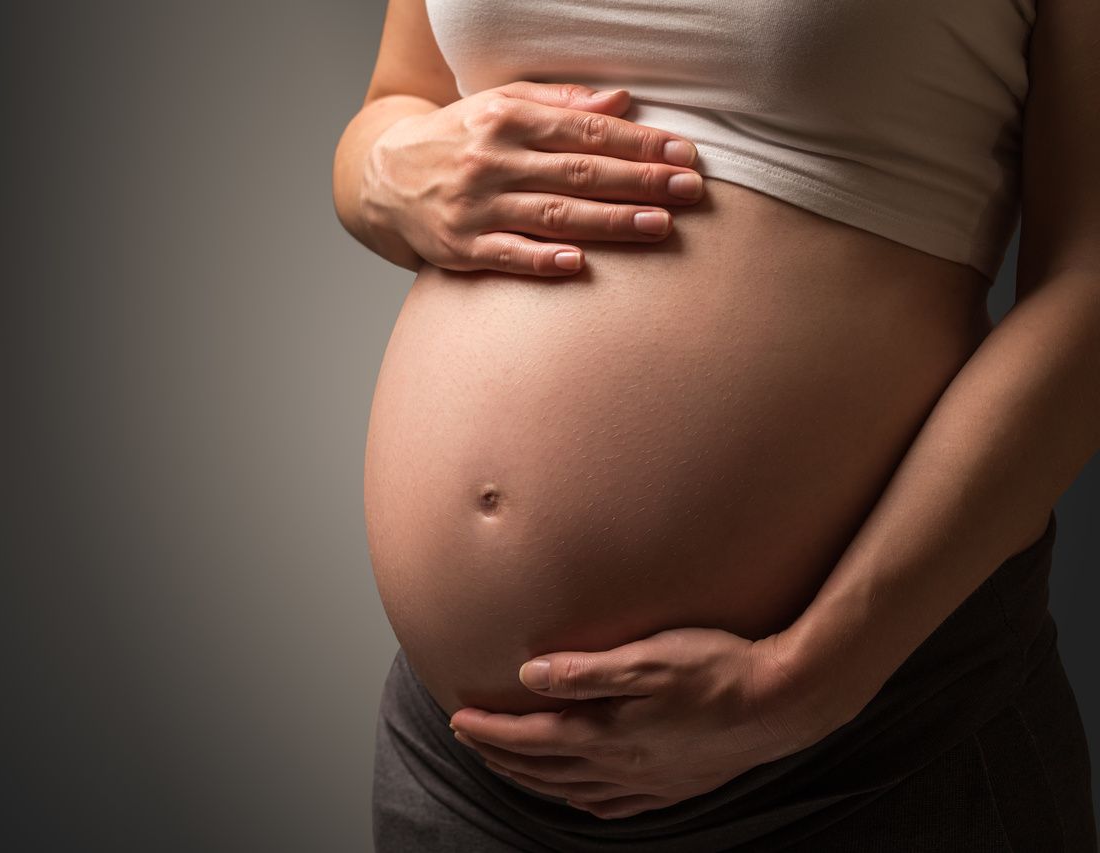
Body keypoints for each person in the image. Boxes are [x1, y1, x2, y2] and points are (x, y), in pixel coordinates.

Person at [333, 0, 1099, 848]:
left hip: (856, 750)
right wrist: (385, 170)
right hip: (465, 778)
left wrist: (804, 682)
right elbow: (396, 104)